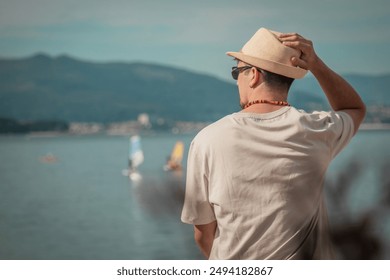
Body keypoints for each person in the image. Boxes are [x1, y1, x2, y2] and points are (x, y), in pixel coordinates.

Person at [180, 27, 366, 259]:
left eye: (237, 73)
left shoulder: (207, 140)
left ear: (254, 74)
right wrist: (316, 64)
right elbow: (354, 108)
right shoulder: (317, 129)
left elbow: (203, 234)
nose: (237, 81)